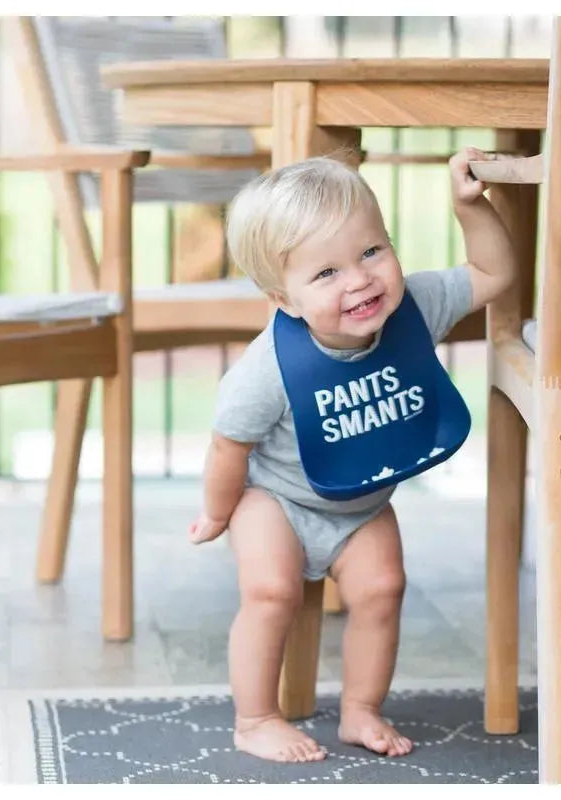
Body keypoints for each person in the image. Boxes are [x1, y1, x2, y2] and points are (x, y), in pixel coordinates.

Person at [188, 147, 517, 763]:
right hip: (275, 499)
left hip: (361, 501)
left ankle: (361, 709)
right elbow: (229, 443)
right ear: (284, 299)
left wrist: (469, 206)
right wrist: (216, 511)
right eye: (325, 273)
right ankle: (255, 718)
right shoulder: (268, 369)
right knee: (270, 593)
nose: (360, 280)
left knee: (383, 588)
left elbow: (493, 274)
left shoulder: (414, 307)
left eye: (371, 251)